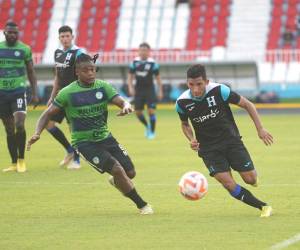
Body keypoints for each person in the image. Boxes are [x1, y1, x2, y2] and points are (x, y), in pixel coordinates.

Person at [27, 54, 153, 215]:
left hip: (106, 137)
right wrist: (37, 133)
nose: (91, 73)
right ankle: (142, 205)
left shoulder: (102, 87)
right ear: (77, 72)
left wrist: (127, 106)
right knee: (118, 170)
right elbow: (46, 114)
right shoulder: (67, 93)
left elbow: (121, 101)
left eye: (93, 69)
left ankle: (117, 181)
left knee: (130, 173)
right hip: (84, 143)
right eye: (86, 70)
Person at [175, 64, 273, 217]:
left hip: (231, 141)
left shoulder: (220, 90)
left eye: (199, 84)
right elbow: (185, 124)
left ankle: (253, 180)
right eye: (191, 84)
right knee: (228, 183)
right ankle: (263, 207)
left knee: (250, 179)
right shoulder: (182, 102)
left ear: (206, 82)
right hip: (208, 149)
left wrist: (260, 129)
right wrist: (191, 139)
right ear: (187, 83)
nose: (195, 89)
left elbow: (248, 104)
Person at [0, 21, 39, 173]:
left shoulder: (24, 49)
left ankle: (22, 160)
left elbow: (31, 72)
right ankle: (14, 162)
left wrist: (35, 93)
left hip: (18, 92)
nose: (13, 35)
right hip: (1, 94)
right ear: (5, 33)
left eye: (15, 33)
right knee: (9, 129)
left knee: (20, 124)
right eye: (10, 32)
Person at [46, 25, 85, 169]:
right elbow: (57, 76)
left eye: (67, 36)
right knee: (48, 124)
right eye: (62, 36)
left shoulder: (79, 52)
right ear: (59, 38)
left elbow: (85, 73)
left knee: (73, 128)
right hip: (60, 96)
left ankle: (77, 160)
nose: (65, 39)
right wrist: (52, 96)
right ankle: (69, 150)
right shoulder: (57, 53)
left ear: (72, 37)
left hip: (74, 96)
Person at [127, 42, 163, 139]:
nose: (143, 52)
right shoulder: (134, 63)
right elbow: (130, 77)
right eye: (141, 50)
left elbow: (158, 78)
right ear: (138, 51)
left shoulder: (153, 64)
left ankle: (152, 132)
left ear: (149, 52)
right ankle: (147, 126)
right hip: (138, 90)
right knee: (138, 112)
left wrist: (160, 91)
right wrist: (130, 87)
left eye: (145, 50)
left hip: (150, 90)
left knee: (151, 111)